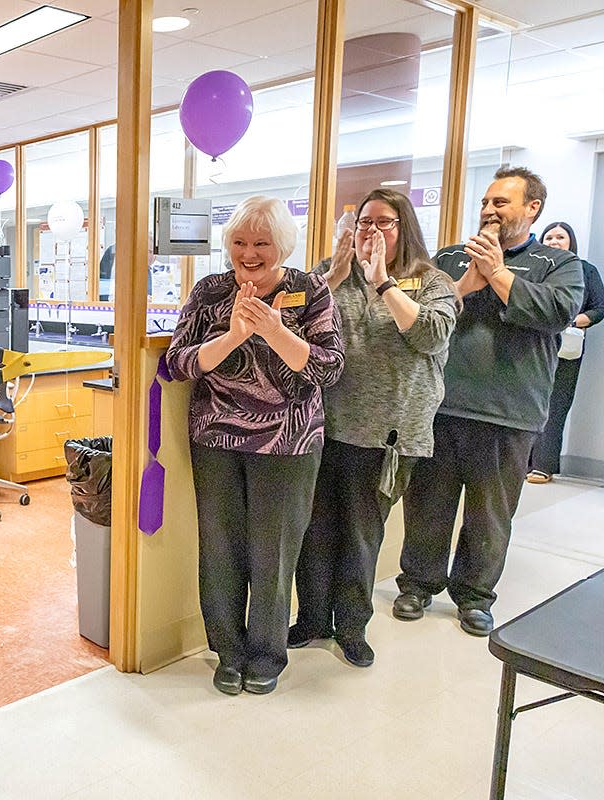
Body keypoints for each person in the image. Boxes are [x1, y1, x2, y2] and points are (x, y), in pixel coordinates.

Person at [166, 195, 344, 696]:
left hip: (289, 443)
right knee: (220, 549)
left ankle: (267, 653)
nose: (249, 253)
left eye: (261, 243)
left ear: (282, 246)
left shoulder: (309, 290)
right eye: (240, 242)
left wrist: (274, 330)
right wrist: (233, 335)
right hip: (217, 438)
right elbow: (177, 363)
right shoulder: (211, 291)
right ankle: (229, 651)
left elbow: (329, 368)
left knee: (274, 553)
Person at [394, 167, 583, 636]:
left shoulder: (557, 265)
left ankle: (474, 597)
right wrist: (465, 285)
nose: (488, 211)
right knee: (427, 506)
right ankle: (417, 584)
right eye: (485, 202)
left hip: (510, 413)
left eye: (501, 202)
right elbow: (422, 319)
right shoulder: (450, 257)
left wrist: (498, 274)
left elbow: (556, 313)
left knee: (490, 515)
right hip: (441, 406)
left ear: (531, 208)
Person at [291, 190, 457, 668]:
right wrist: (332, 278)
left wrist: (383, 283)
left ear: (404, 227)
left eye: (384, 222)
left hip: (387, 436)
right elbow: (289, 323)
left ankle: (352, 628)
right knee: (315, 530)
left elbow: (429, 335)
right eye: (364, 222)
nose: (371, 231)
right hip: (321, 429)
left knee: (361, 535)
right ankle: (314, 620)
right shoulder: (331, 273)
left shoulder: (431, 281)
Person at [526, 221, 604, 483]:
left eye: (560, 237)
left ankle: (543, 465)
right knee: (528, 401)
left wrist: (570, 320)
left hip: (567, 347)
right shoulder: (534, 267)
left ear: (571, 241)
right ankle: (522, 463)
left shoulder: (585, 270)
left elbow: (599, 307)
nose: (554, 242)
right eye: (549, 237)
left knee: (556, 404)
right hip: (533, 345)